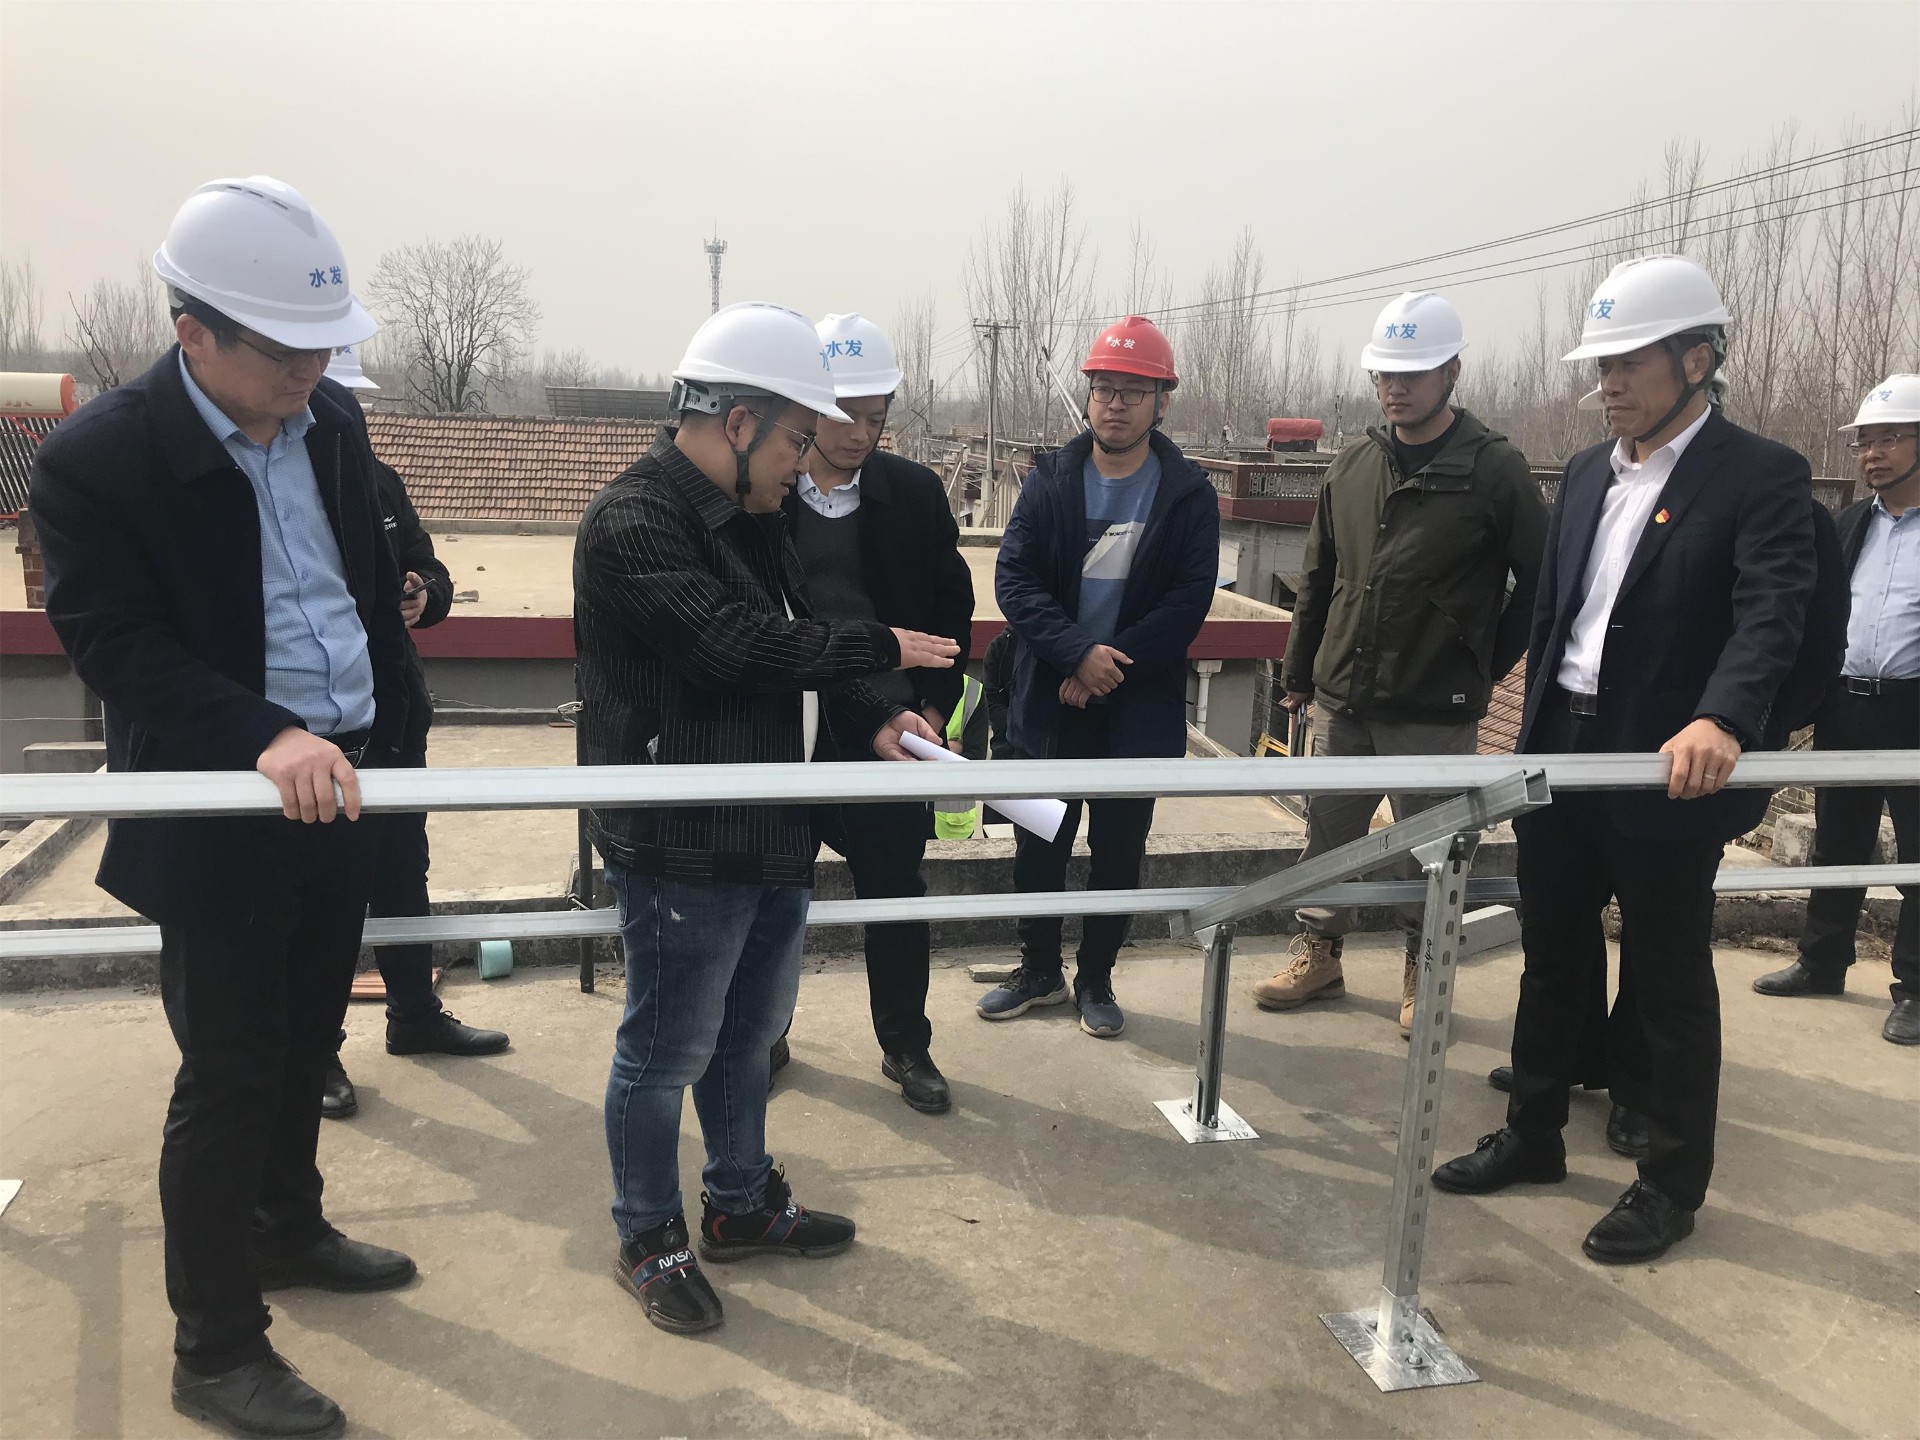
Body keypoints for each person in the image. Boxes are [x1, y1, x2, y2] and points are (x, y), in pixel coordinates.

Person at [29, 177, 415, 1438]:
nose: (310, 370)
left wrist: (387, 723)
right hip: (221, 802)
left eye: (323, 346)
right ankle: (216, 1347)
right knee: (231, 1072)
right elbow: (113, 644)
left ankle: (287, 1228)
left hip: (340, 784)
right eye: (283, 348)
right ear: (192, 330)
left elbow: (362, 588)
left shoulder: (330, 419)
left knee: (309, 1042)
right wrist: (263, 734)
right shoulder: (100, 461)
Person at [573, 302, 957, 1336]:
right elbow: (729, 646)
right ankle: (646, 1234)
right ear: (739, 423)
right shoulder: (635, 520)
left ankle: (740, 1202)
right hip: (683, 837)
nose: (806, 461)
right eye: (796, 438)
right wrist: (881, 646)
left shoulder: (758, 514)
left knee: (748, 1037)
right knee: (666, 1049)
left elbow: (804, 636)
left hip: (770, 822)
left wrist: (878, 717)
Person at [1432, 254, 1820, 1266]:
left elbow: (1772, 612)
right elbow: (1553, 619)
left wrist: (1724, 718)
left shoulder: (1758, 476)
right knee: (1552, 953)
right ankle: (1533, 1133)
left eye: (1628, 363)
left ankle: (1670, 1186)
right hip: (1563, 747)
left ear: (1697, 360)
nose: (1608, 383)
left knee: (1669, 975)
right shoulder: (1587, 474)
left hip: (1667, 760)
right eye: (1600, 365)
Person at [1250, 292, 1549, 1038]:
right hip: (1343, 697)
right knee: (1329, 835)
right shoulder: (1354, 465)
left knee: (1432, 848)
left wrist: (1481, 664)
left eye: (1412, 373)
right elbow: (1318, 576)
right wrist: (1298, 673)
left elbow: (1542, 583)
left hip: (1433, 706)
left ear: (1451, 372)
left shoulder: (1494, 470)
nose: (1395, 388)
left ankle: (1426, 967)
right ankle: (1319, 954)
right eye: (1385, 373)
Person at [981, 315, 1219, 1039]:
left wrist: (1106, 667)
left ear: (1162, 400)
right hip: (1048, 699)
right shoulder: (1051, 479)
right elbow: (1015, 580)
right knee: (1038, 846)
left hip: (1134, 705)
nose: (1116, 404)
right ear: (1088, 394)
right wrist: (1074, 653)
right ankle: (1038, 970)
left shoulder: (1186, 493)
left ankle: (1096, 979)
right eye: (1104, 388)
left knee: (1118, 851)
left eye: (1133, 392)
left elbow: (1187, 603)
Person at [781, 314, 974, 1114]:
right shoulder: (764, 494)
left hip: (891, 737)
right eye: (845, 416)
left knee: (895, 893)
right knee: (774, 894)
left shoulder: (913, 495)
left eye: (877, 416)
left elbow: (951, 610)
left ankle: (905, 1044)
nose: (862, 434)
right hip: (785, 729)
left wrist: (932, 704)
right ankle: (764, 1032)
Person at [319, 345, 508, 1121]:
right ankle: (315, 1047)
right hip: (322, 730)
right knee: (328, 890)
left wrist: (422, 592)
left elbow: (432, 569)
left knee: (402, 869)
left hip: (394, 714)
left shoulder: (380, 482)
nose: (347, 417)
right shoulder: (278, 494)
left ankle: (414, 1014)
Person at [1754, 373, 1920, 1045]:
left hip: (1914, 707)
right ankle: (1822, 961)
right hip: (1847, 702)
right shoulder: (1850, 525)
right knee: (1838, 840)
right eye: (1864, 442)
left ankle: (1914, 989)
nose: (1871, 454)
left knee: (1918, 854)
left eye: (1889, 439)